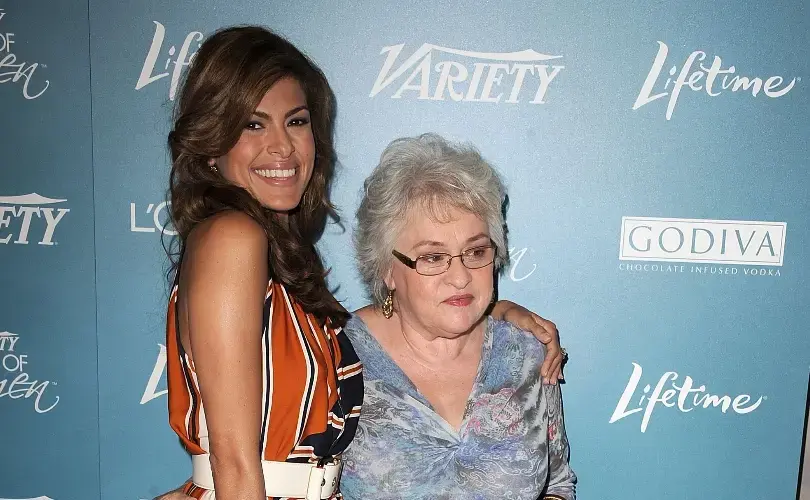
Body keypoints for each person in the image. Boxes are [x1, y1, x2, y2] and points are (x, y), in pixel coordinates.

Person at [157, 25, 565, 500]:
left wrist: (497, 309)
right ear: (211, 142)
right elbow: (233, 459)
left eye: (296, 121)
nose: (282, 147)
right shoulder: (234, 237)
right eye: (253, 124)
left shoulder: (273, 252)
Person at [339, 133, 576, 499]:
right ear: (387, 267)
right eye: (433, 257)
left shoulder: (528, 353)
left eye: (476, 251)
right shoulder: (334, 359)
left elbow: (557, 483)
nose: (461, 276)